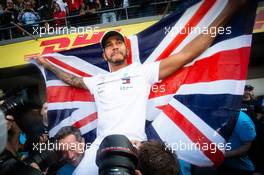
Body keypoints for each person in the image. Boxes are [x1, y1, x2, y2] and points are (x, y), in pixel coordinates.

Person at [37, 1, 245, 174]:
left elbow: (187, 54)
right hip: (101, 147)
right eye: (109, 45)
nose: (114, 46)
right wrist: (47, 64)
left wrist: (230, 10)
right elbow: (73, 80)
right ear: (104, 55)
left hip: (136, 146)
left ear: (126, 49)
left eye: (118, 42)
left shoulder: (142, 72)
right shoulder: (97, 79)